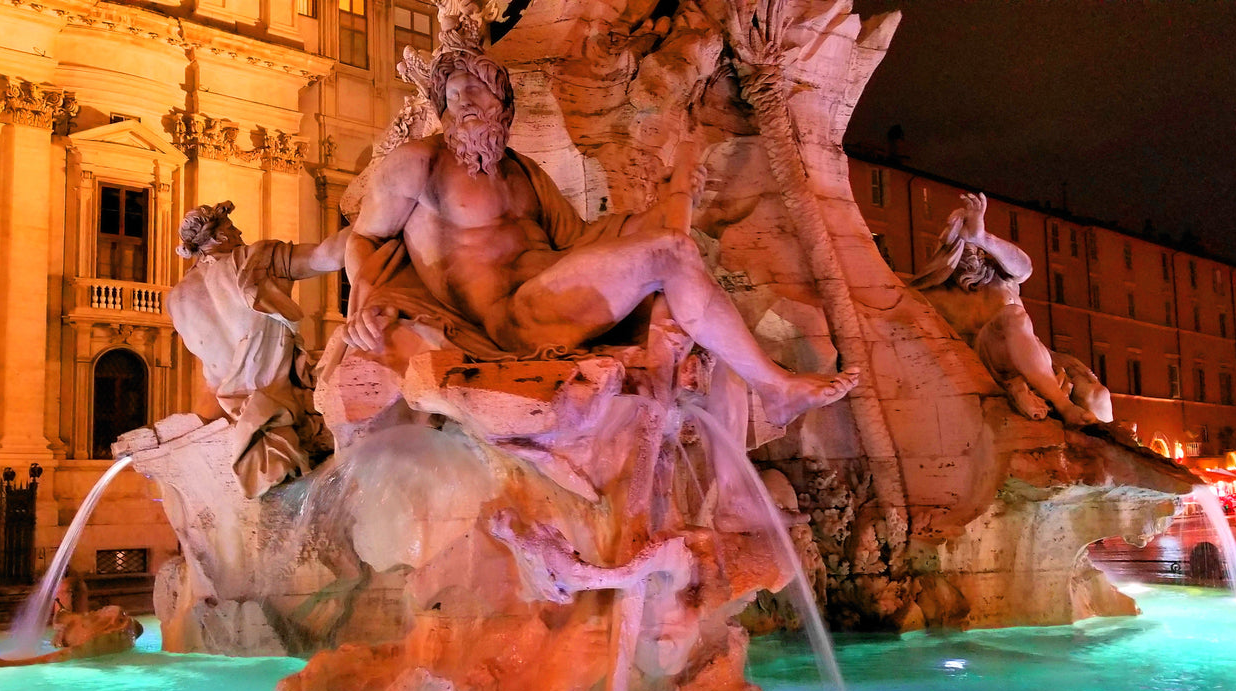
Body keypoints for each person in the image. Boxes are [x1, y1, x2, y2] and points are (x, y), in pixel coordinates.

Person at [341, 50, 856, 427]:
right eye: (452, 97)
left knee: (676, 303)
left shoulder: (525, 173)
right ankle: (776, 387)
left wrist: (670, 204)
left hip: (555, 294)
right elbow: (363, 238)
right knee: (671, 253)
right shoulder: (419, 162)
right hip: (514, 319)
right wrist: (366, 302)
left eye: (474, 91)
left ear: (503, 103)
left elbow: (581, 241)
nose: (463, 104)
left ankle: (725, 493)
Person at [168, 201, 350, 497]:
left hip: (242, 425)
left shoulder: (176, 300)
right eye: (230, 227)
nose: (239, 231)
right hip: (288, 415)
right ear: (219, 237)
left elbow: (213, 378)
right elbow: (328, 255)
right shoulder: (255, 259)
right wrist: (380, 215)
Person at [912, 193, 1109, 427]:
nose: (972, 254)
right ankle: (1063, 406)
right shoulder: (935, 295)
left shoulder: (1001, 277)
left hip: (1036, 356)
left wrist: (982, 237)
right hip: (989, 360)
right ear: (949, 254)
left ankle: (1110, 440)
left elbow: (1025, 267)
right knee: (1012, 316)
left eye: (977, 249)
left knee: (1097, 394)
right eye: (964, 246)